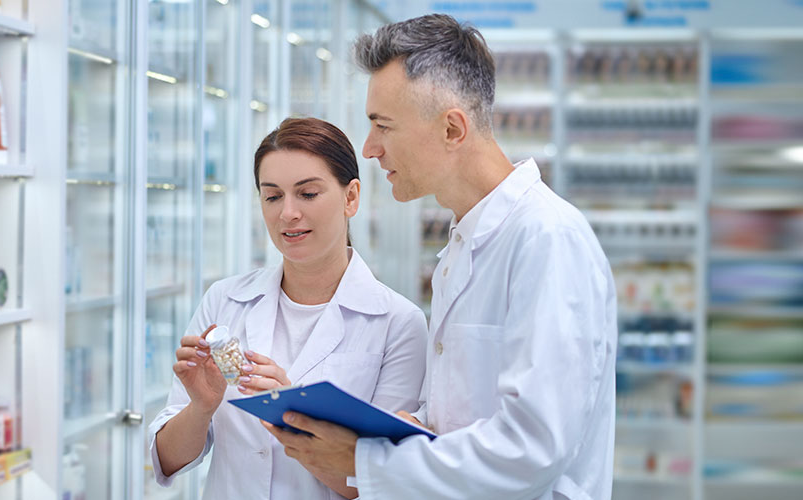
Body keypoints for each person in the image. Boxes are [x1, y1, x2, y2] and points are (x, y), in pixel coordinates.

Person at [265, 14, 618, 500]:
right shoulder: (463, 242)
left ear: (453, 129)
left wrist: (363, 461)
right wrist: (404, 424)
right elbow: (461, 416)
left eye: (382, 126)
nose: (369, 149)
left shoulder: (546, 239)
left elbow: (532, 449)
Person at [148, 117, 429, 500]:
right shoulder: (225, 300)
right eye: (273, 196)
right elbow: (168, 460)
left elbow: (383, 482)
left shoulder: (399, 323)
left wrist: (292, 416)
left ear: (351, 198)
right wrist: (202, 406)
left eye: (308, 194)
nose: (288, 214)